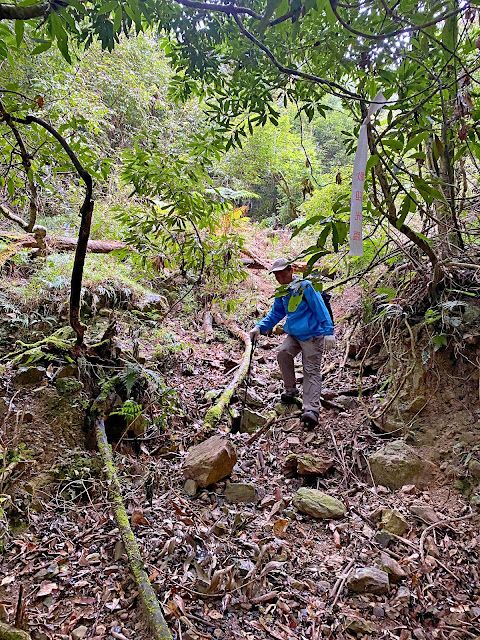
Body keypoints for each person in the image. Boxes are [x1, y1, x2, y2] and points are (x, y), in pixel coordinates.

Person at [249, 258, 335, 429]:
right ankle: (291, 390)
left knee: (310, 370)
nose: (280, 277)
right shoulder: (282, 291)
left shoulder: (306, 286)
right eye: (276, 275)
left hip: (312, 335)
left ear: (291, 271)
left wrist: (328, 331)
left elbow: (320, 308)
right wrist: (259, 328)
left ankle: (311, 410)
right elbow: (276, 314)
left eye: (282, 273)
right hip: (295, 334)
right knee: (283, 353)